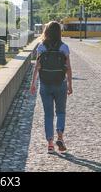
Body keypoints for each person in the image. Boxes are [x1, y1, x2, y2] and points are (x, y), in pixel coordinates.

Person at [31, 21, 73, 154]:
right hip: (60, 83)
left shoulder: (41, 47)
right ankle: (60, 135)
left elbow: (37, 67)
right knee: (61, 112)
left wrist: (33, 83)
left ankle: (50, 143)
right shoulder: (64, 47)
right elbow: (68, 68)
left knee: (48, 114)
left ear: (46, 32)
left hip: (45, 84)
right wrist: (70, 85)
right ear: (59, 32)